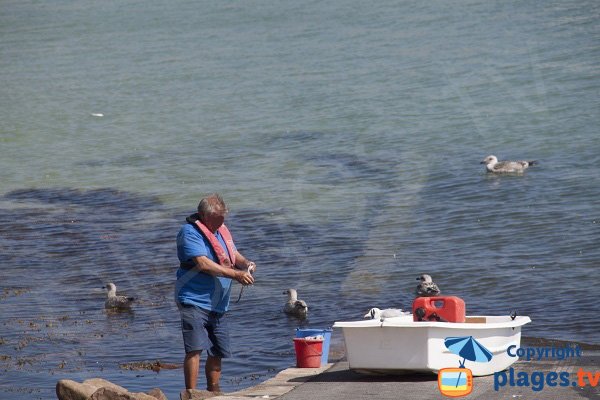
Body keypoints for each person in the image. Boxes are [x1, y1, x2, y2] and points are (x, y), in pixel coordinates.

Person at [175, 193, 256, 394]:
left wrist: (246, 264)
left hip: (219, 304)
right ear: (204, 216)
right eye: (218, 218)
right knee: (195, 348)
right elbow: (203, 263)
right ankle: (191, 394)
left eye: (223, 218)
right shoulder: (189, 232)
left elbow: (232, 253)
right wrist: (235, 274)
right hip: (193, 299)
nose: (222, 222)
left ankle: (213, 391)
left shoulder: (221, 229)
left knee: (219, 350)